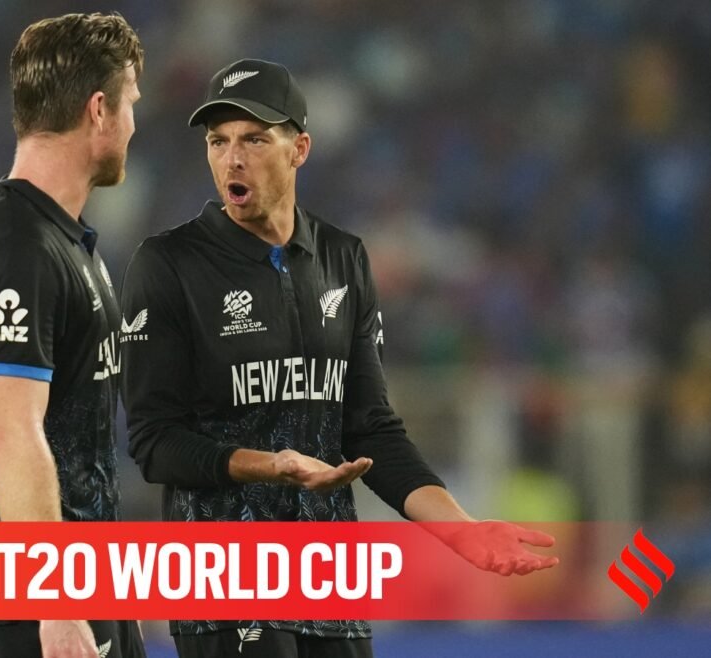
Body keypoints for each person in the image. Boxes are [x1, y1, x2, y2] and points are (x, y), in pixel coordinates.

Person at [119, 59, 559, 658]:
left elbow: (369, 429)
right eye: (218, 141)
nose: (232, 158)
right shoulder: (168, 264)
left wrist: (462, 532)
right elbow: (153, 442)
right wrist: (269, 465)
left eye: (253, 139)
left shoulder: (343, 259)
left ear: (299, 148)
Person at [0, 12, 146, 658]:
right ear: (99, 111)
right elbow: (8, 430)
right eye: (131, 104)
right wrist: (54, 605)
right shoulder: (15, 245)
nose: (135, 125)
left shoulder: (63, 243)